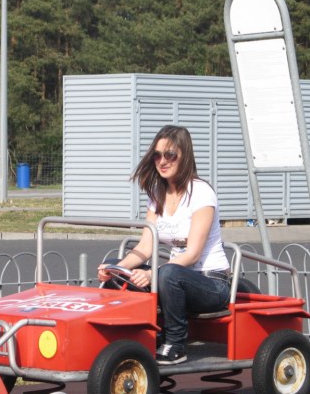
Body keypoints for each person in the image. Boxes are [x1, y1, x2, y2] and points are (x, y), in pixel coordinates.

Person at [97, 125, 231, 365]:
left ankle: (175, 343)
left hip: (211, 283)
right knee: (117, 269)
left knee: (168, 273)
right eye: (157, 155)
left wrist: (152, 275)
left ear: (184, 156)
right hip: (173, 280)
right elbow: (145, 247)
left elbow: (193, 254)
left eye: (170, 155)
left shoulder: (201, 193)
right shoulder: (157, 195)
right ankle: (135, 336)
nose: (162, 161)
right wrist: (116, 269)